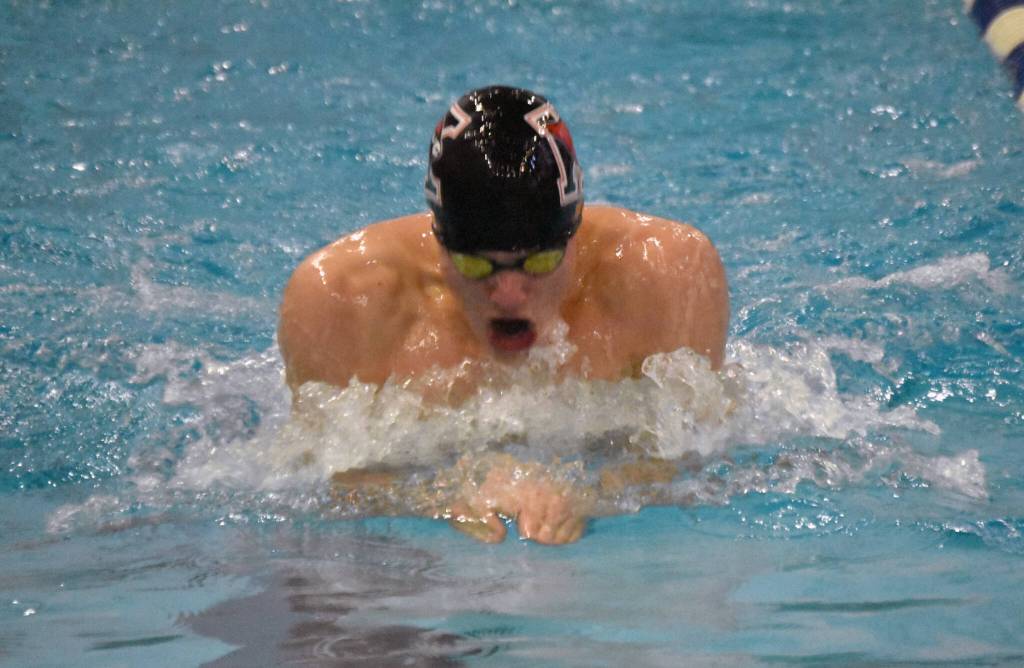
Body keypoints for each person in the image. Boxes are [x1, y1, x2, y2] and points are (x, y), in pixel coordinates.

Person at [278, 85, 729, 544]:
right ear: (439, 242)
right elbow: (326, 479)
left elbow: (700, 448)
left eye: (539, 262)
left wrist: (591, 492)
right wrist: (437, 496)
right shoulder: (341, 299)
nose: (509, 295)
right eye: (477, 266)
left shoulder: (665, 274)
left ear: (575, 234)